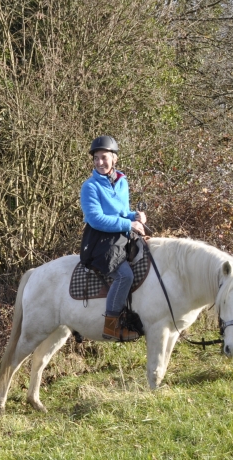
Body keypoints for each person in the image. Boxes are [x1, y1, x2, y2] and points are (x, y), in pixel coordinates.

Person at [80, 135, 147, 341]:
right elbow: (96, 218)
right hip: (101, 241)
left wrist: (135, 216)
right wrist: (129, 223)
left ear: (114, 159)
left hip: (121, 236)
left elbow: (121, 212)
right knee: (124, 275)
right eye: (96, 158)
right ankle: (111, 326)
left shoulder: (121, 182)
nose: (100, 162)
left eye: (104, 157)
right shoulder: (90, 187)